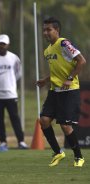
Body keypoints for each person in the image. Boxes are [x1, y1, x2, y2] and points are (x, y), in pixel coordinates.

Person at [36, 17, 86, 167]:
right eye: (44, 30)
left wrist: (70, 78)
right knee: (44, 120)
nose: (45, 33)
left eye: (49, 29)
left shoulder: (64, 43)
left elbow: (81, 61)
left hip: (69, 90)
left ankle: (79, 157)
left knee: (65, 126)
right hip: (55, 90)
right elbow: (57, 71)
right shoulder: (47, 51)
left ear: (57, 30)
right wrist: (46, 80)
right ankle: (58, 152)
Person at [0, 34, 28, 152]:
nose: (1, 46)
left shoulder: (14, 58)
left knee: (15, 118)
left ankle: (21, 141)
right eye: (0, 44)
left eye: (4, 44)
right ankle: (3, 142)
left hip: (10, 93)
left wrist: (10, 82)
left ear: (8, 45)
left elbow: (18, 73)